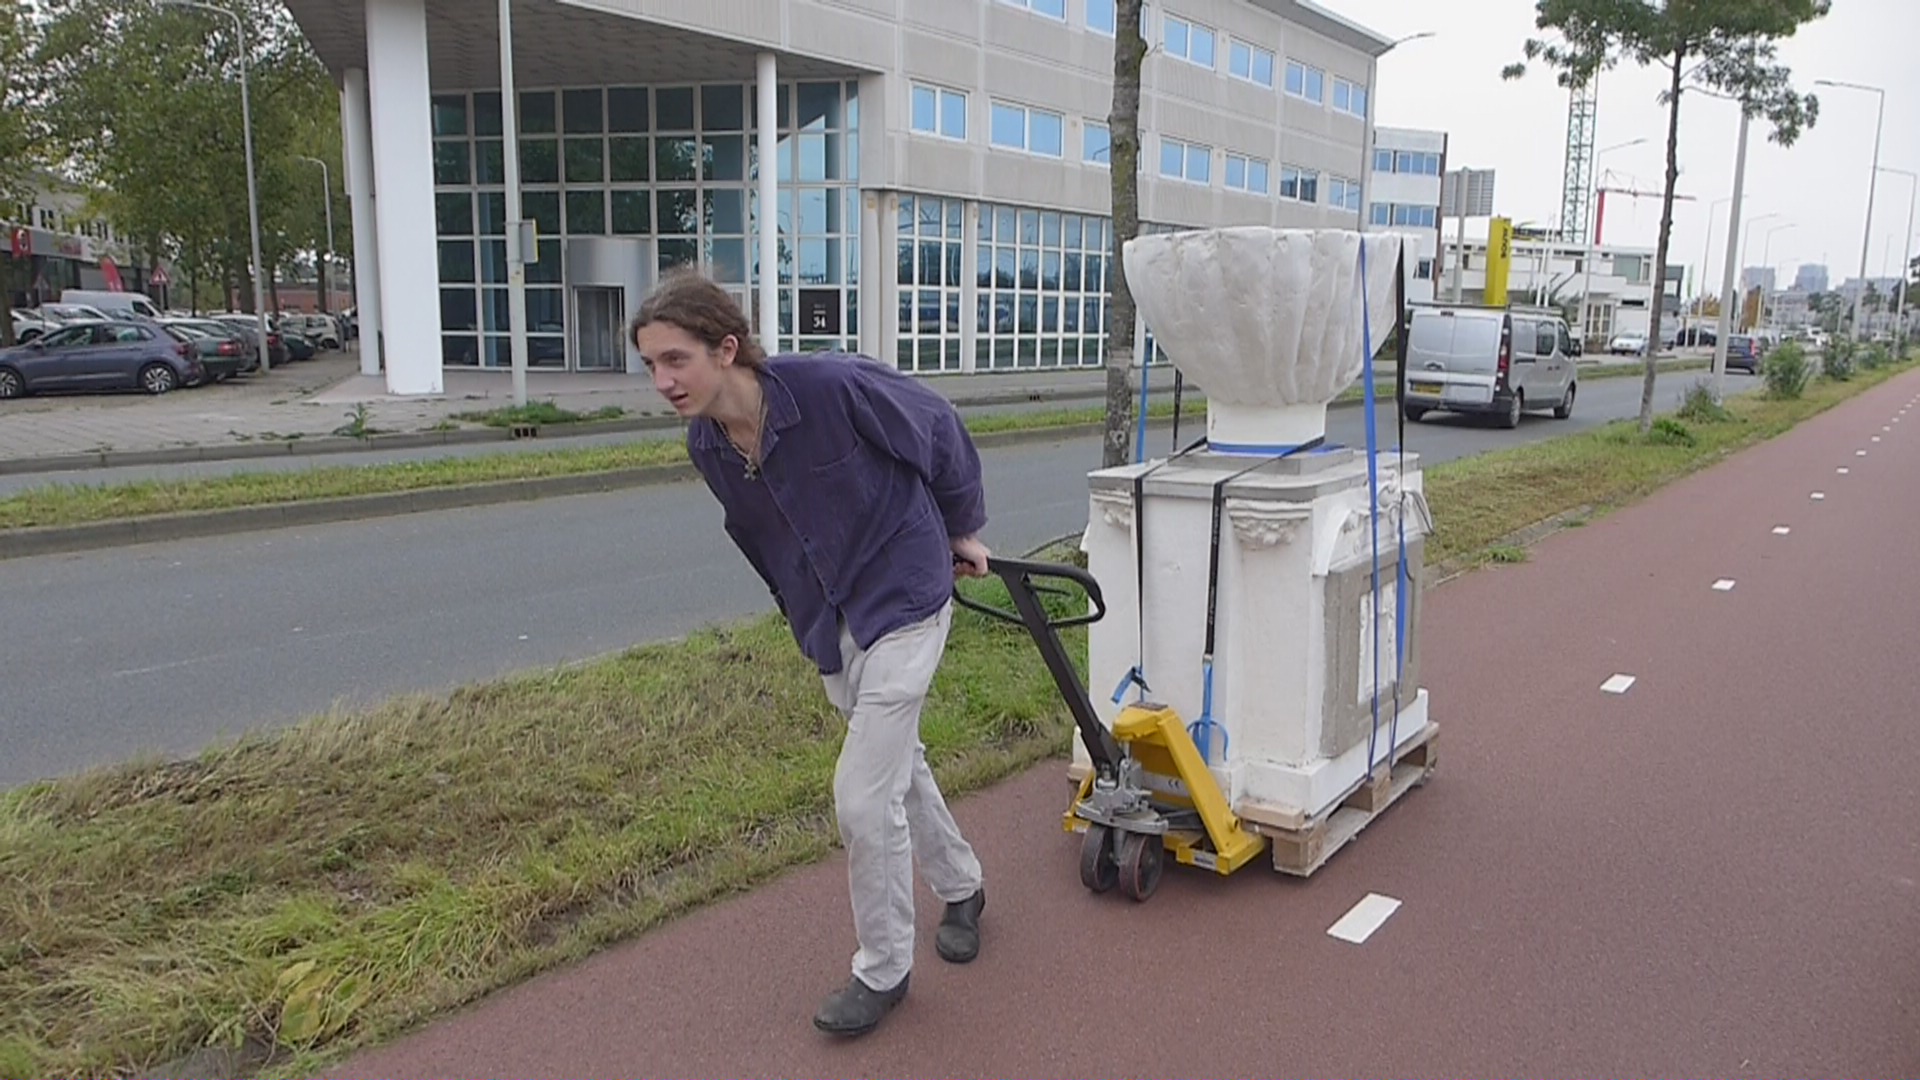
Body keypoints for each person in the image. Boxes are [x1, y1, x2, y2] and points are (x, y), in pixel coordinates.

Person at [630, 270, 992, 1038]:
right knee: (899, 768)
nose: (662, 381)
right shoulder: (709, 445)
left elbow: (937, 428)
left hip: (904, 593)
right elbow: (759, 536)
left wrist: (962, 528)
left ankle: (884, 970)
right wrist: (796, 612)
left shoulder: (829, 387)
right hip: (831, 620)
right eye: (651, 366)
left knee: (863, 797)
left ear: (726, 348)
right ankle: (963, 886)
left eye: (675, 360)